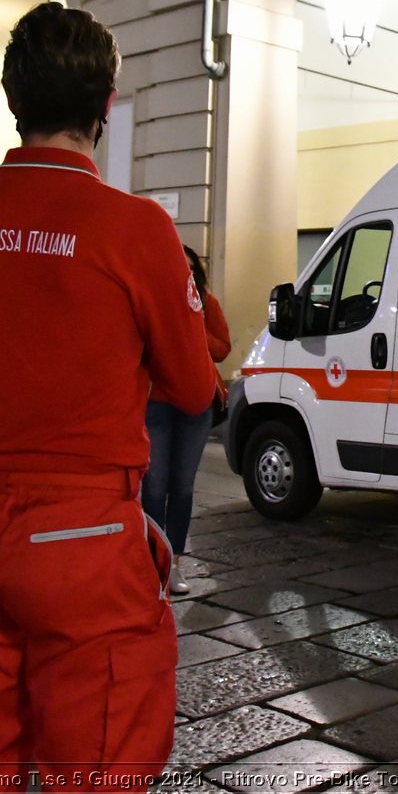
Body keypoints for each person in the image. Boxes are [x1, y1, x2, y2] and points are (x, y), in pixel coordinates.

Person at [0, 2, 218, 794]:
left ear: (13, 100)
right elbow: (194, 385)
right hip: (78, 534)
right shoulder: (134, 227)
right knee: (96, 761)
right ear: (105, 106)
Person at [142, 244, 230, 596]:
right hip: (157, 404)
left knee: (181, 487)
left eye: (193, 268)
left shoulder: (207, 304)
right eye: (181, 267)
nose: (188, 273)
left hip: (196, 407)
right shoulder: (154, 303)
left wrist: (192, 323)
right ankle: (152, 564)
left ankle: (175, 564)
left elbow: (222, 348)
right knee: (153, 486)